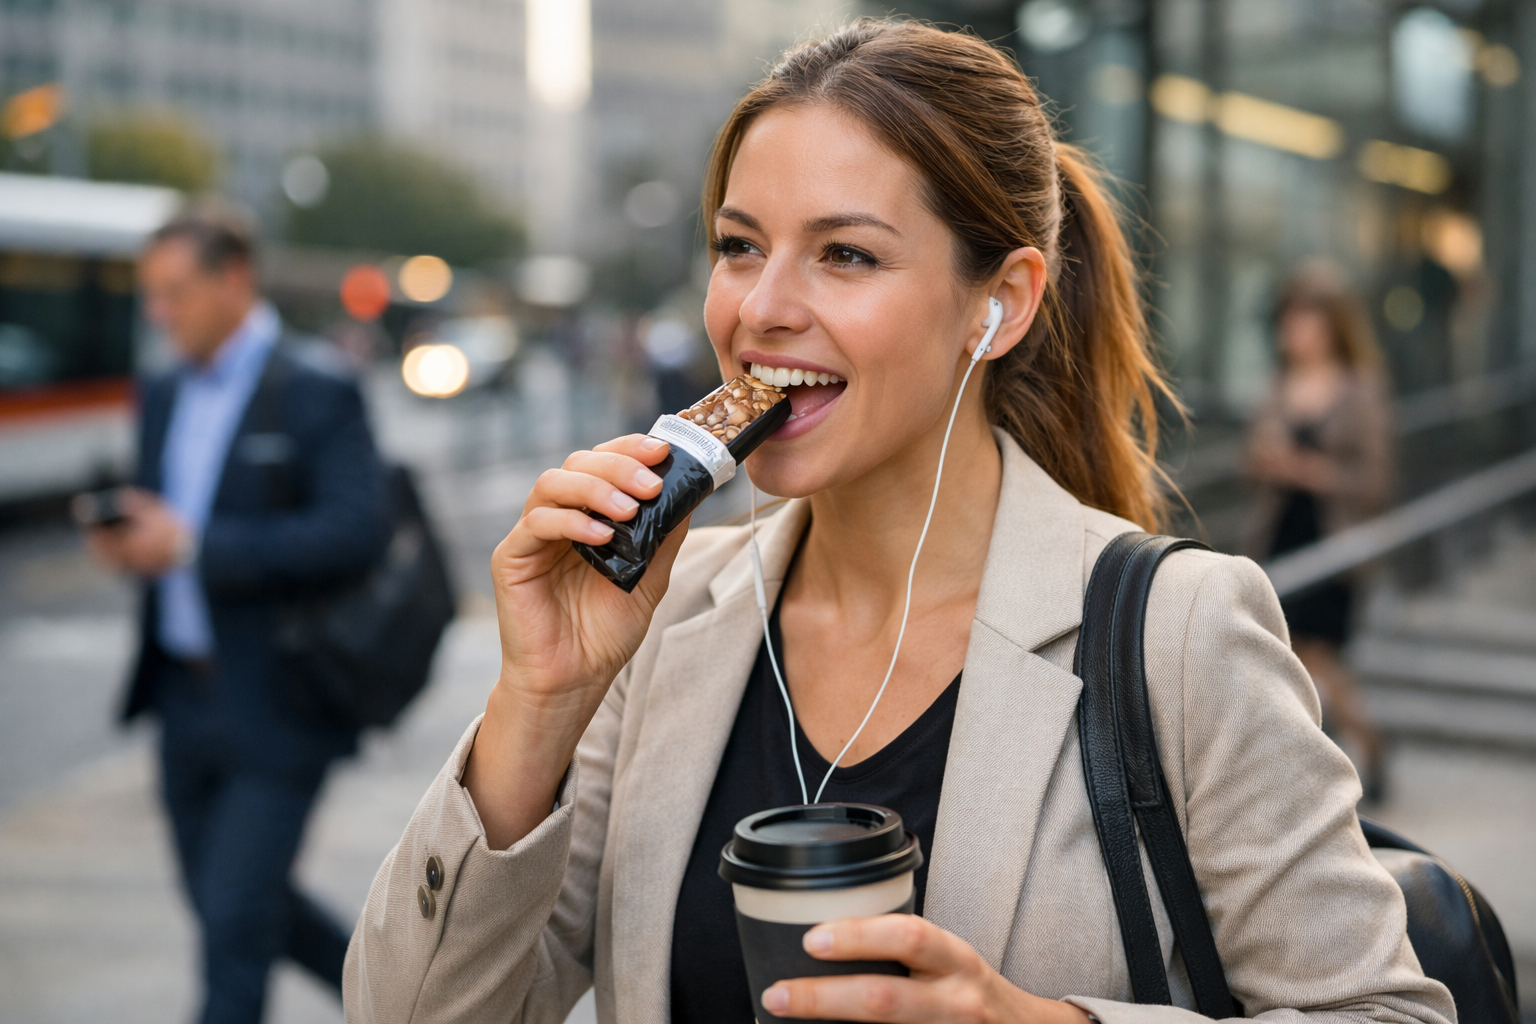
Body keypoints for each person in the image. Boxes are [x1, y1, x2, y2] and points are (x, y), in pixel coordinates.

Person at [345, 22, 1450, 1024]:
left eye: (847, 254)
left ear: (1000, 302)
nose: (760, 306)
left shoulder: (1183, 632)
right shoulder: (664, 617)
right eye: (739, 245)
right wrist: (536, 701)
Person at [86, 206, 389, 1024]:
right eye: (151, 295)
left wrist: (190, 548)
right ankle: (396, 999)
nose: (159, 313)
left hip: (280, 699)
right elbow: (166, 517)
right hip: (181, 697)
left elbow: (355, 532)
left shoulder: (315, 384)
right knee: (231, 907)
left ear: (235, 280)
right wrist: (133, 543)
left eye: (175, 292)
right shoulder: (159, 387)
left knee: (232, 929)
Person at [1247, 267, 1394, 802]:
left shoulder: (1360, 391)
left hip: (1334, 544)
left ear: (1332, 326)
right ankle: (1332, 756)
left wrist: (1308, 470)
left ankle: (1366, 743)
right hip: (1283, 538)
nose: (1295, 331)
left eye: (1307, 320)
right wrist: (1269, 463)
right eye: (1290, 320)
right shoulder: (1277, 386)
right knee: (1291, 653)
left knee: (1316, 655)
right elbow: (1256, 459)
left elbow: (1374, 481)